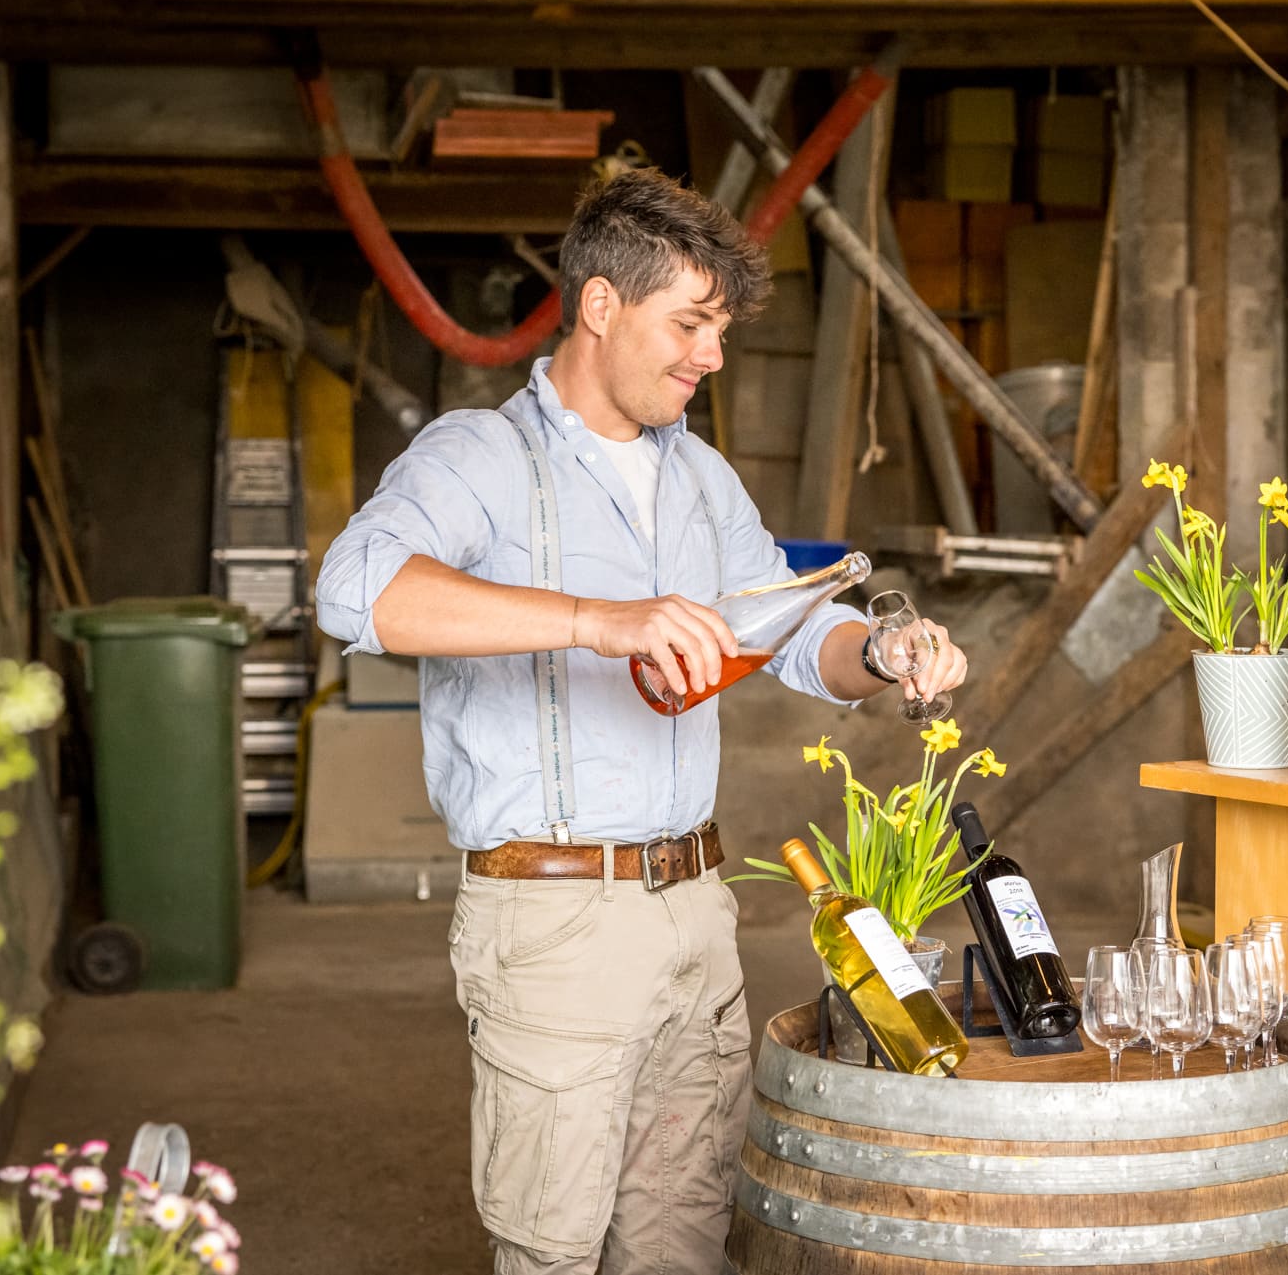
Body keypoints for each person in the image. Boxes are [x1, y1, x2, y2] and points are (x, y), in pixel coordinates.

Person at [314, 169, 970, 1275]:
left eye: (719, 331)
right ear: (601, 305)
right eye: (690, 323)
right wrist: (596, 619)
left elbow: (790, 632)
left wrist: (880, 652)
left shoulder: (702, 477)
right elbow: (353, 590)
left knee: (684, 1236)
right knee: (554, 1248)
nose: (710, 355)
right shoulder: (481, 457)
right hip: (553, 921)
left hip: (695, 913)